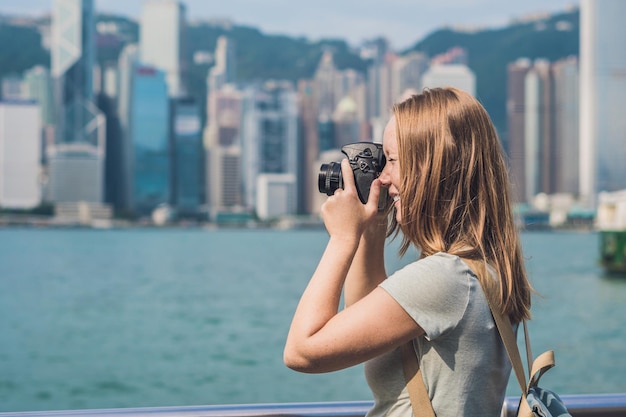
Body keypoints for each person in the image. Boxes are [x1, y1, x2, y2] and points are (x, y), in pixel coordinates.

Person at [283, 87, 532, 417]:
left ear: (433, 167)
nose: (383, 178)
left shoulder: (444, 279)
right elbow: (366, 328)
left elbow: (302, 352)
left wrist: (342, 239)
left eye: (394, 161)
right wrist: (369, 230)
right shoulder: (479, 271)